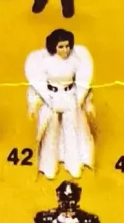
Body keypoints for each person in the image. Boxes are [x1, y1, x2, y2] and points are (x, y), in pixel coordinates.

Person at [25, 28, 95, 179]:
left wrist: (88, 103)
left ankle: (73, 163)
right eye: (61, 47)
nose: (65, 50)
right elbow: (35, 85)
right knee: (51, 132)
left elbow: (84, 83)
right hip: (51, 98)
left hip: (70, 96)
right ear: (53, 46)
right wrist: (32, 104)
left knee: (72, 130)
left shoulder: (75, 60)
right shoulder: (45, 62)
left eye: (67, 46)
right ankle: (49, 166)